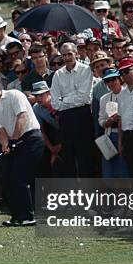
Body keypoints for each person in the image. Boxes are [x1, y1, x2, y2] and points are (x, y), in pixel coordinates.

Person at [0, 77, 44, 226]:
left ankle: (27, 216)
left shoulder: (14, 95)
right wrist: (5, 145)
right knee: (7, 178)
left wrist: (14, 140)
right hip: (15, 142)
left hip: (30, 138)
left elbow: (22, 117)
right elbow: (0, 131)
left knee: (19, 178)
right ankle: (16, 217)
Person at [49, 42, 94, 177]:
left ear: (76, 53)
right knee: (68, 155)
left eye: (69, 54)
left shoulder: (86, 70)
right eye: (64, 55)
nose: (67, 57)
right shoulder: (58, 75)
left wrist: (65, 100)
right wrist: (71, 100)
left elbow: (84, 98)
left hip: (83, 116)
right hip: (65, 119)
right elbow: (55, 103)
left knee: (85, 154)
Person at [97, 68, 128, 178]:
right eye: (107, 81)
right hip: (109, 136)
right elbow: (100, 119)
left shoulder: (128, 94)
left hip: (125, 136)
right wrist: (107, 122)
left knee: (124, 170)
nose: (110, 83)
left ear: (119, 79)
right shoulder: (104, 99)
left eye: (113, 79)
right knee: (109, 172)